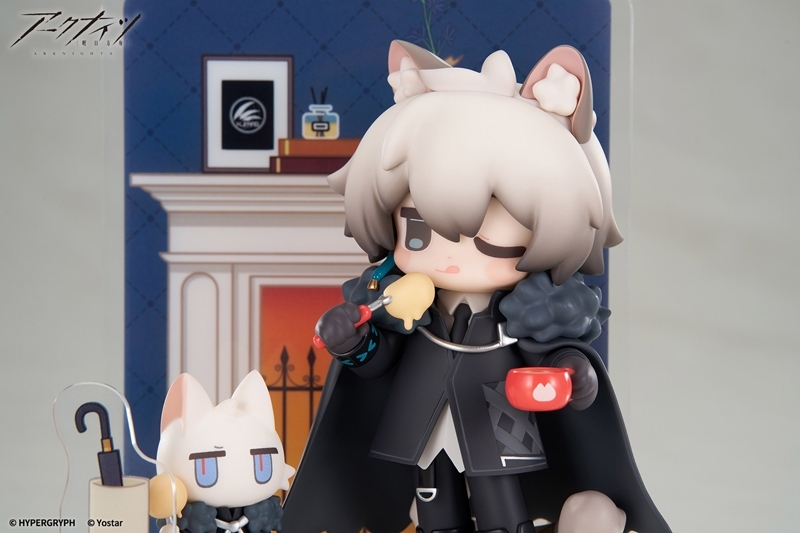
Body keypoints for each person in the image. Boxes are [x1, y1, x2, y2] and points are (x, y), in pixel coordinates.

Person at [282, 40, 670, 533]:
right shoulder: (406, 307)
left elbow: (549, 356)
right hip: (419, 425)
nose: (450, 254)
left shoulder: (523, 314)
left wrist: (574, 372)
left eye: (489, 241)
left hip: (498, 425)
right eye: (419, 231)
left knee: (501, 511)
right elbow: (380, 366)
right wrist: (354, 343)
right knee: (434, 509)